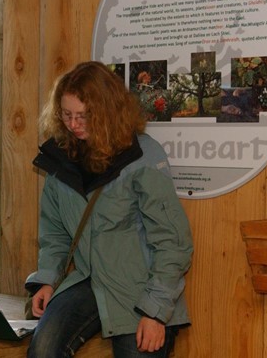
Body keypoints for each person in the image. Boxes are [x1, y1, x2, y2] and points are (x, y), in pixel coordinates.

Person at [25, 61, 194, 357]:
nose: (73, 125)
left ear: (107, 112)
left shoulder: (142, 154)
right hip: (89, 282)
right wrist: (48, 280)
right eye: (66, 115)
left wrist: (155, 313)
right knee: (42, 350)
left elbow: (173, 243)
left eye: (83, 116)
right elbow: (55, 234)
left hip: (141, 289)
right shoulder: (60, 158)